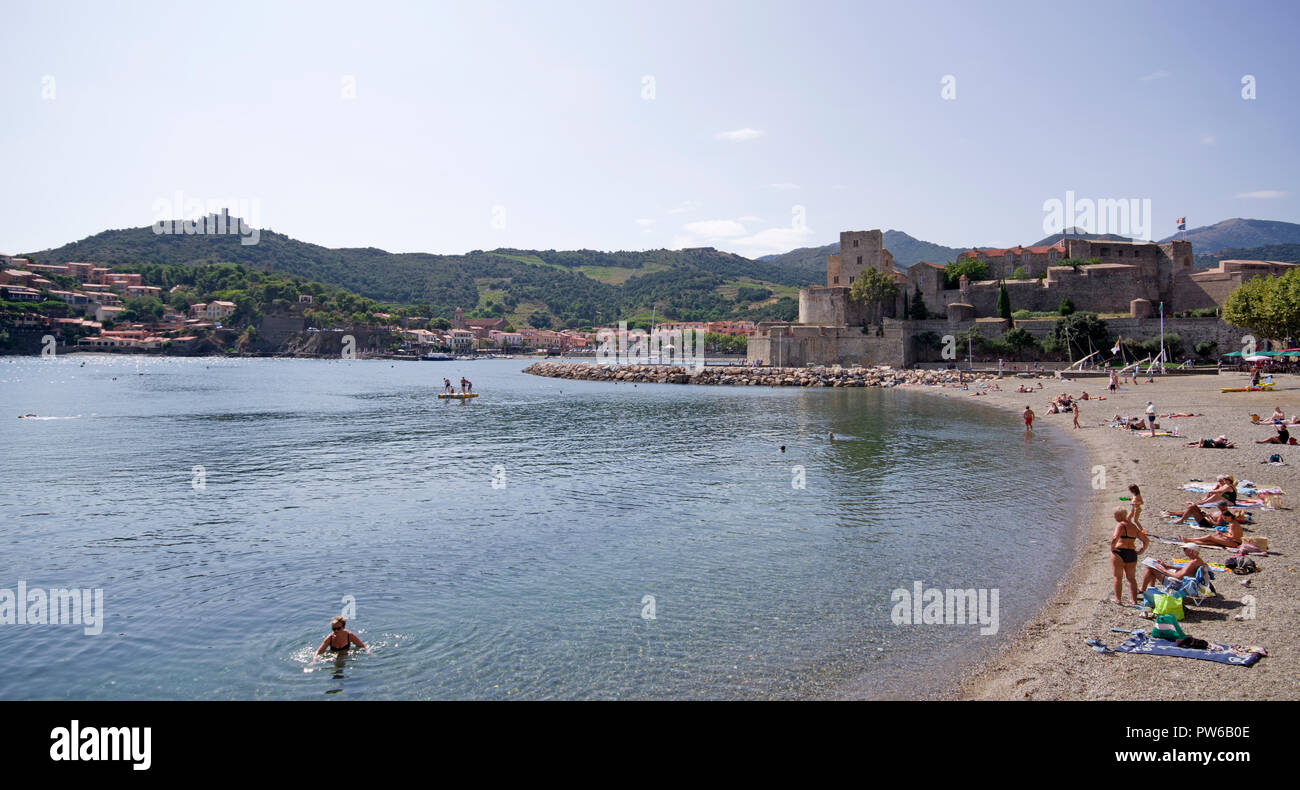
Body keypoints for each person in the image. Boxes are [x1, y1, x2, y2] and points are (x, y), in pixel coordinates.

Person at [1110, 507, 1149, 605]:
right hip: (1131, 553)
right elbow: (1146, 540)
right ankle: (1134, 601)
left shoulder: (1121, 525)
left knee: (1117, 577)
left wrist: (1112, 548)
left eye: (1115, 515)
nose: (1114, 517)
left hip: (1120, 552)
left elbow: (1115, 538)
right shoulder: (1133, 526)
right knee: (1131, 578)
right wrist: (1142, 550)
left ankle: (1118, 599)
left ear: (1120, 516)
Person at [1140, 543, 1207, 591]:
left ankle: (1143, 589)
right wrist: (1167, 566)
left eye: (1184, 549)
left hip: (1178, 583)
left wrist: (1164, 570)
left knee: (1150, 569)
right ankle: (1151, 589)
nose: (1183, 551)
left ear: (1191, 551)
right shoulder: (1198, 560)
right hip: (1187, 582)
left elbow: (1178, 576)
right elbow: (1186, 570)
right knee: (1154, 568)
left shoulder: (1192, 563)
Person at [1179, 505, 1243, 549]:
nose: (1225, 520)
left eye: (1226, 518)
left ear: (1230, 516)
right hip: (1233, 541)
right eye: (1224, 518)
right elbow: (1232, 534)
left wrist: (1222, 534)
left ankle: (1190, 540)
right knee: (1210, 542)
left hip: (1235, 543)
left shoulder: (1233, 525)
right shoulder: (1232, 523)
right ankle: (1190, 541)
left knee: (1210, 537)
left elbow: (1234, 537)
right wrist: (1222, 534)